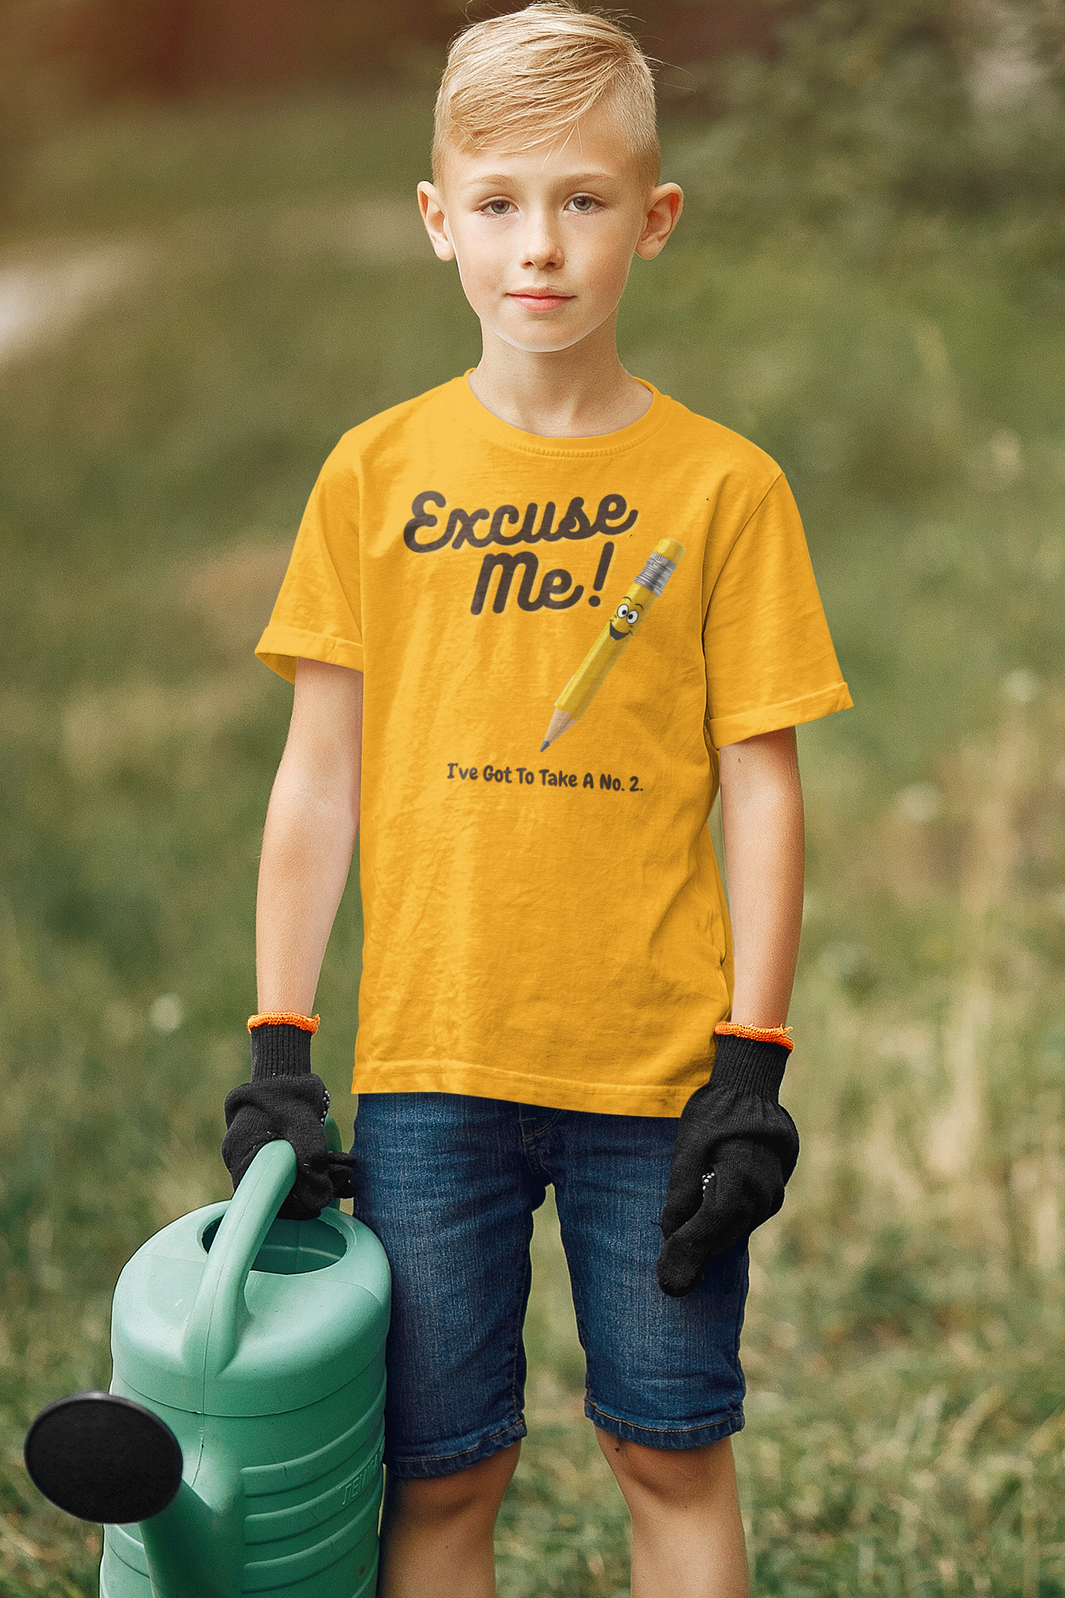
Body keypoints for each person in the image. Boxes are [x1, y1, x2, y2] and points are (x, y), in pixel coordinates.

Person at [221, 5, 852, 1595]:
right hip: (433, 1065)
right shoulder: (374, 474)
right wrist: (281, 1045)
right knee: (442, 1473)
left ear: (654, 219)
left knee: (670, 1444)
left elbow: (761, 793)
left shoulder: (726, 490)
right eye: (498, 201)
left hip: (658, 1076)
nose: (541, 246)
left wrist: (753, 1065)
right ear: (438, 221)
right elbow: (318, 779)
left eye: (583, 200)